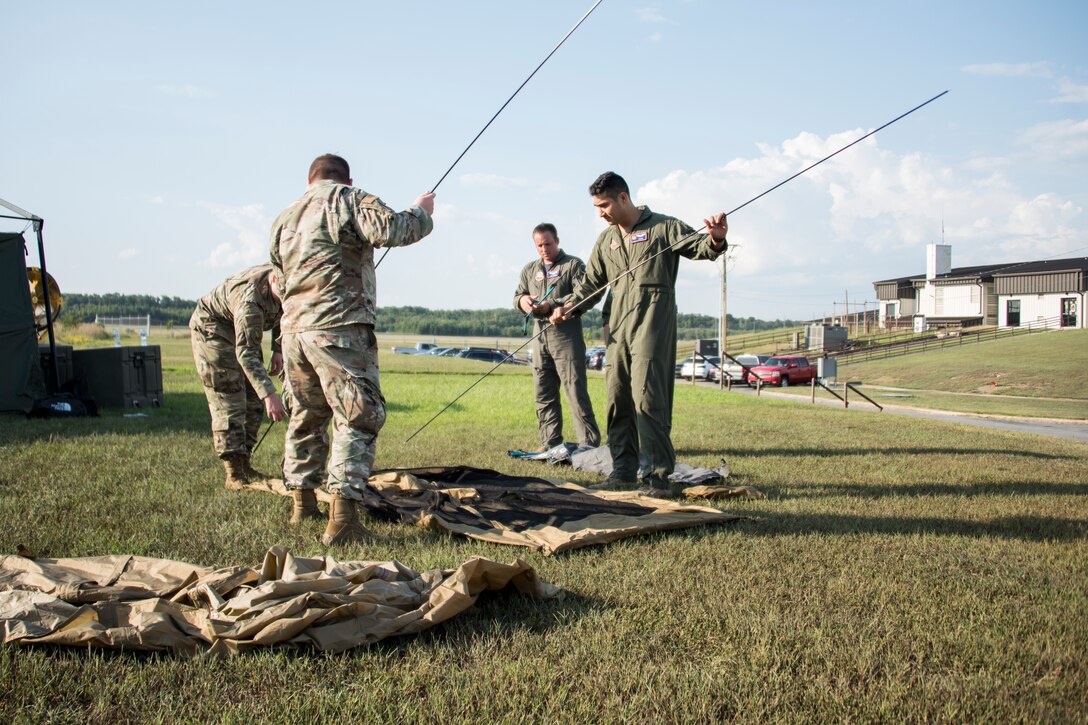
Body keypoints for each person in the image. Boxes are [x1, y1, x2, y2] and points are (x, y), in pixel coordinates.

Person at [270, 153, 435, 545]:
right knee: (357, 415)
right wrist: (422, 211)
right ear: (345, 178)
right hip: (338, 329)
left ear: (310, 179)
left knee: (306, 416)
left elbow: (276, 281)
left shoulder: (283, 217)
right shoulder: (348, 198)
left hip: (294, 332)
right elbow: (394, 229)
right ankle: (343, 520)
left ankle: (303, 505)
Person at [551, 171, 727, 498]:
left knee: (647, 399)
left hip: (652, 324)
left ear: (623, 197)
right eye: (596, 207)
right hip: (618, 327)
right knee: (617, 399)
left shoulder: (663, 226)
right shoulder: (607, 240)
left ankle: (659, 478)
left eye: (603, 205)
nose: (600, 212)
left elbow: (700, 247)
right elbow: (590, 285)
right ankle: (623, 471)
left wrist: (715, 238)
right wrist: (567, 305)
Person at [190, 264, 286, 489]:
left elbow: (285, 314)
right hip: (214, 329)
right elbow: (246, 353)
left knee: (253, 402)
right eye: (283, 290)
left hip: (242, 331)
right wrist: (269, 393)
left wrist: (278, 349)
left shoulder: (289, 280)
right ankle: (233, 474)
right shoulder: (250, 301)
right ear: (272, 281)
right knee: (230, 397)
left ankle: (244, 463)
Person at [513, 223, 601, 452]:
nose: (544, 249)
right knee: (543, 392)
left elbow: (584, 294)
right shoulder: (530, 269)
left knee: (575, 391)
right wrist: (523, 302)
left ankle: (589, 443)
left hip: (565, 335)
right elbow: (517, 295)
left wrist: (552, 304)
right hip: (539, 335)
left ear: (557, 241)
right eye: (539, 245)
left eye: (548, 244)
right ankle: (550, 442)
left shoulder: (573, 265)